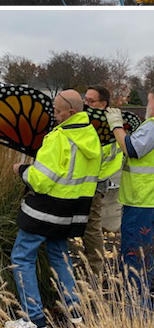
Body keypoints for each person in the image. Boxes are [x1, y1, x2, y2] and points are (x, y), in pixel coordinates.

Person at [6, 90, 101, 328]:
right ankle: (75, 311)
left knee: (21, 257)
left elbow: (41, 180)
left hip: (46, 210)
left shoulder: (58, 138)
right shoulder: (91, 135)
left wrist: (22, 169)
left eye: (58, 111)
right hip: (72, 213)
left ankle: (34, 318)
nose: (54, 115)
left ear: (71, 113)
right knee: (59, 255)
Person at [107, 83, 154, 309]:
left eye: (149, 100)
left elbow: (132, 148)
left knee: (136, 260)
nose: (147, 105)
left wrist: (116, 126)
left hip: (144, 203)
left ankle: (137, 314)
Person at [81, 85, 123, 278]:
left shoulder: (107, 129)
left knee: (92, 227)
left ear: (103, 104)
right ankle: (87, 264)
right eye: (85, 100)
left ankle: (95, 271)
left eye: (91, 101)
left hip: (94, 183)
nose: (86, 104)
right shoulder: (87, 123)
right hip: (79, 182)